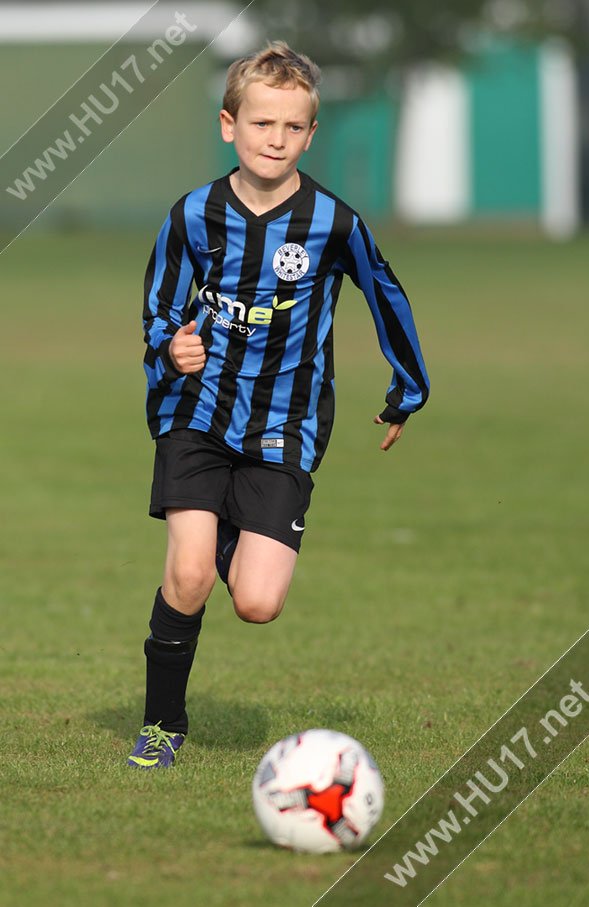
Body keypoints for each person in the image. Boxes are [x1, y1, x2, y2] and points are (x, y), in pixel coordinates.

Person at [128, 41, 429, 768]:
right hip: (196, 413)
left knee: (257, 602)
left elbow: (385, 293)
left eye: (292, 128)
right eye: (262, 124)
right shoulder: (194, 214)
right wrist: (173, 347)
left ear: (311, 134)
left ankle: (235, 529)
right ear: (229, 125)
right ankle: (163, 726)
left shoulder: (333, 222)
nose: (276, 139)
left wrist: (406, 388)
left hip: (284, 425)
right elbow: (159, 307)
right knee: (190, 573)